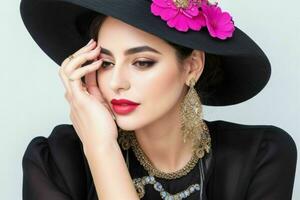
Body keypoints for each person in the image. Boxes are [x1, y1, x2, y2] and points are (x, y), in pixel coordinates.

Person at [20, 0, 297, 200]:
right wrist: (99, 147)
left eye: (141, 62)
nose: (117, 82)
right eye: (105, 63)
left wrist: (102, 150)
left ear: (192, 67)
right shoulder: (56, 162)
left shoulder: (261, 156)